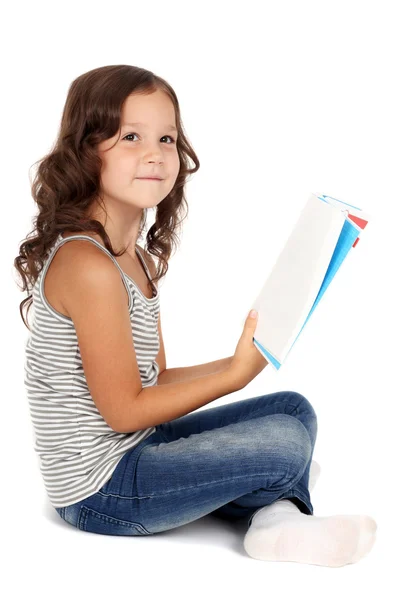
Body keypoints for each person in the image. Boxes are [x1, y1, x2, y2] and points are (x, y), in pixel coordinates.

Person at [16, 64, 377, 567]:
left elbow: (155, 380)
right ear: (85, 150)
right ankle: (274, 510)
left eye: (165, 138)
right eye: (130, 137)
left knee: (294, 411)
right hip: (101, 491)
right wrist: (232, 378)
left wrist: (235, 359)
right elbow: (123, 411)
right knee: (285, 444)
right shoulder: (87, 265)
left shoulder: (133, 257)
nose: (154, 154)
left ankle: (270, 509)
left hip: (138, 446)